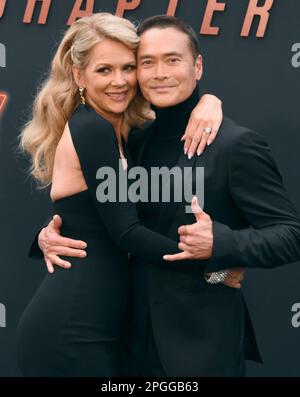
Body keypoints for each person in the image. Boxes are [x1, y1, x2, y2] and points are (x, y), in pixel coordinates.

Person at [34, 16, 300, 377]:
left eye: (172, 60)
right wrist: (46, 237)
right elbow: (103, 215)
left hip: (200, 348)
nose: (159, 73)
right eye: (146, 62)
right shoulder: (134, 138)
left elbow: (290, 234)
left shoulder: (235, 145)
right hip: (125, 341)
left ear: (198, 66)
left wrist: (221, 246)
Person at [16, 13, 228, 377]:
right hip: (72, 330)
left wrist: (210, 100)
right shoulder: (93, 129)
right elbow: (125, 232)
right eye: (104, 70)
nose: (119, 81)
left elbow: (91, 219)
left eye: (128, 67)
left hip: (100, 325)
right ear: (79, 76)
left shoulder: (122, 129)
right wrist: (213, 267)